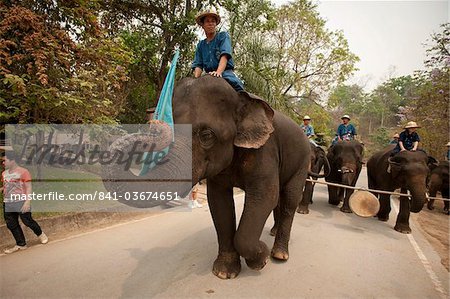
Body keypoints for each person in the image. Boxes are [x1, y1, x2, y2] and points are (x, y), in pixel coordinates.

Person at [1, 151, 48, 254]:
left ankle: (41, 234)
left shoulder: (23, 172)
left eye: (5, 160)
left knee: (27, 221)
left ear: (12, 160)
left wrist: (27, 201)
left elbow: (28, 187)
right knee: (11, 224)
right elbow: (7, 186)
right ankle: (21, 244)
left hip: (21, 201)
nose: (3, 163)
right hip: (8, 202)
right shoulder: (4, 173)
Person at [191, 9, 244, 92]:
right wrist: (195, 81)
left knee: (238, 88)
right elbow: (198, 65)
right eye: (207, 21)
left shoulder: (222, 36)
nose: (211, 23)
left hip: (225, 73)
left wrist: (218, 72)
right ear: (203, 25)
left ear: (216, 24)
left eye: (213, 21)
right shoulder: (201, 45)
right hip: (208, 75)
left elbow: (225, 55)